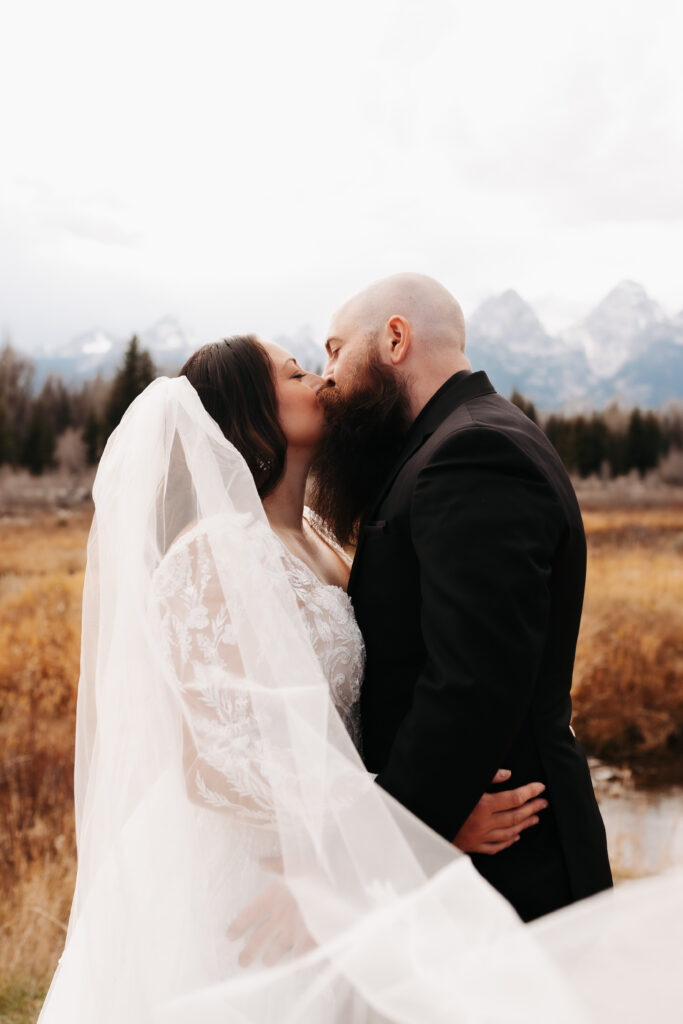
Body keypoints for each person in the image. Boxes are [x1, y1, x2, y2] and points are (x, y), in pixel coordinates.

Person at [38, 335, 575, 1024]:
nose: (322, 380)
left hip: (331, 854)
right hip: (264, 874)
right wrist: (406, 827)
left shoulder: (318, 534)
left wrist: (408, 815)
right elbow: (215, 763)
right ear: (251, 411)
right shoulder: (212, 554)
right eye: (294, 374)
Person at [311, 273, 613, 922]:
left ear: (395, 339)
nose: (325, 376)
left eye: (334, 350)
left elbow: (471, 684)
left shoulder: (471, 453)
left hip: (511, 868)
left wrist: (382, 849)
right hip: (479, 857)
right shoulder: (450, 441)